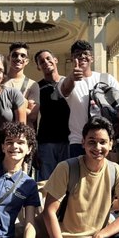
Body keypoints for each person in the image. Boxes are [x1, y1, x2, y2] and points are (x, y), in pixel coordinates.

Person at [59, 40, 119, 157]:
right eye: (78, 54)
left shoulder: (106, 78)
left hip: (105, 141)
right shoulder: (67, 81)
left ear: (92, 58)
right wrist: (72, 77)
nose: (82, 56)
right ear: (73, 58)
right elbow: (65, 90)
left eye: (86, 54)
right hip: (79, 142)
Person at [34, 49, 70, 180]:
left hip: (68, 140)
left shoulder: (69, 83)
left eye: (48, 58)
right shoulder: (36, 88)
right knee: (46, 184)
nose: (46, 62)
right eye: (41, 61)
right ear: (38, 67)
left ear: (55, 60)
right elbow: (32, 117)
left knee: (68, 182)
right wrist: (33, 145)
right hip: (46, 143)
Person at [3, 42, 39, 128]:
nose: (19, 58)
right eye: (15, 55)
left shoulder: (32, 84)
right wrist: (23, 104)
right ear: (9, 58)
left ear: (27, 61)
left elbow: (32, 115)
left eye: (23, 56)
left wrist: (6, 104)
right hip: (1, 133)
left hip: (22, 134)